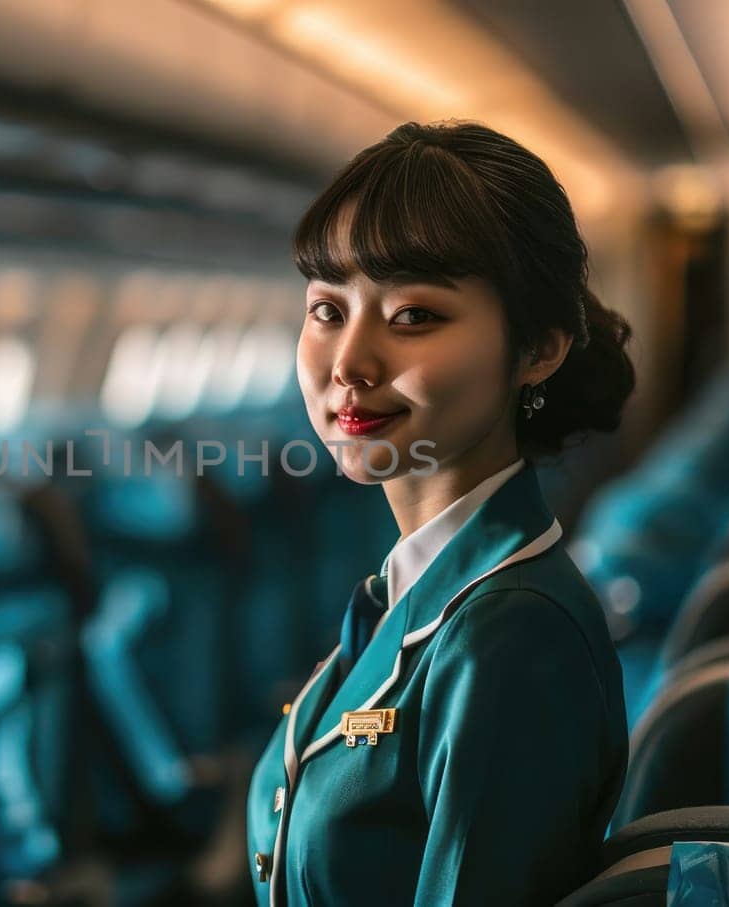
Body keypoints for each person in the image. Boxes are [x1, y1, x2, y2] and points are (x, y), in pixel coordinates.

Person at [245, 121, 635, 906]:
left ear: (539, 350)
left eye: (414, 316)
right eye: (327, 309)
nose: (350, 363)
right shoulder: (410, 589)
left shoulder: (513, 637)